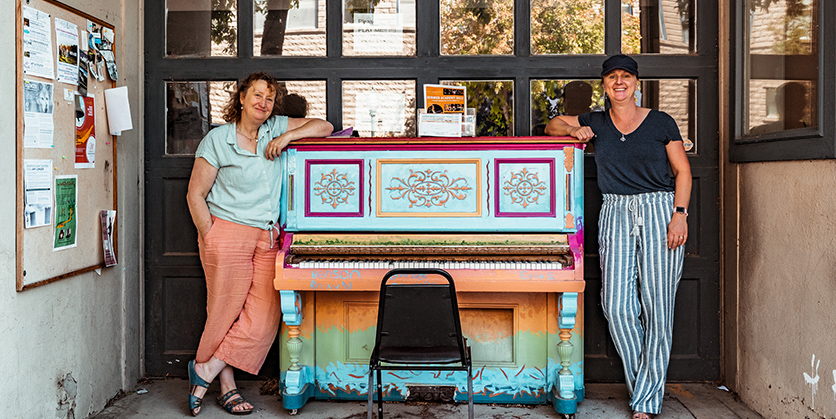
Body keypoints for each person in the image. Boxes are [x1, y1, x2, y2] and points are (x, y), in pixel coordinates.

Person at [545, 55, 691, 419]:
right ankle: (646, 386)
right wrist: (572, 131)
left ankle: (644, 400)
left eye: (626, 76)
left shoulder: (660, 122)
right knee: (616, 304)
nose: (619, 83)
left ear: (636, 83)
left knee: (658, 307)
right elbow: (551, 126)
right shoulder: (596, 120)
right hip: (614, 211)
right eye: (612, 77)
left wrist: (680, 216)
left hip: (660, 210)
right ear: (605, 85)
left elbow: (682, 170)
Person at [185, 72, 333, 416]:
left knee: (266, 316)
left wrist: (290, 136)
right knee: (223, 313)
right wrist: (212, 234)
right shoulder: (218, 139)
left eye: (269, 98)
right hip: (227, 233)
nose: (263, 103)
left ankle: (203, 369)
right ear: (241, 98)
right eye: (257, 96)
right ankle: (227, 387)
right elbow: (195, 194)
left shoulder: (276, 127)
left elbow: (324, 126)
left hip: (268, 237)